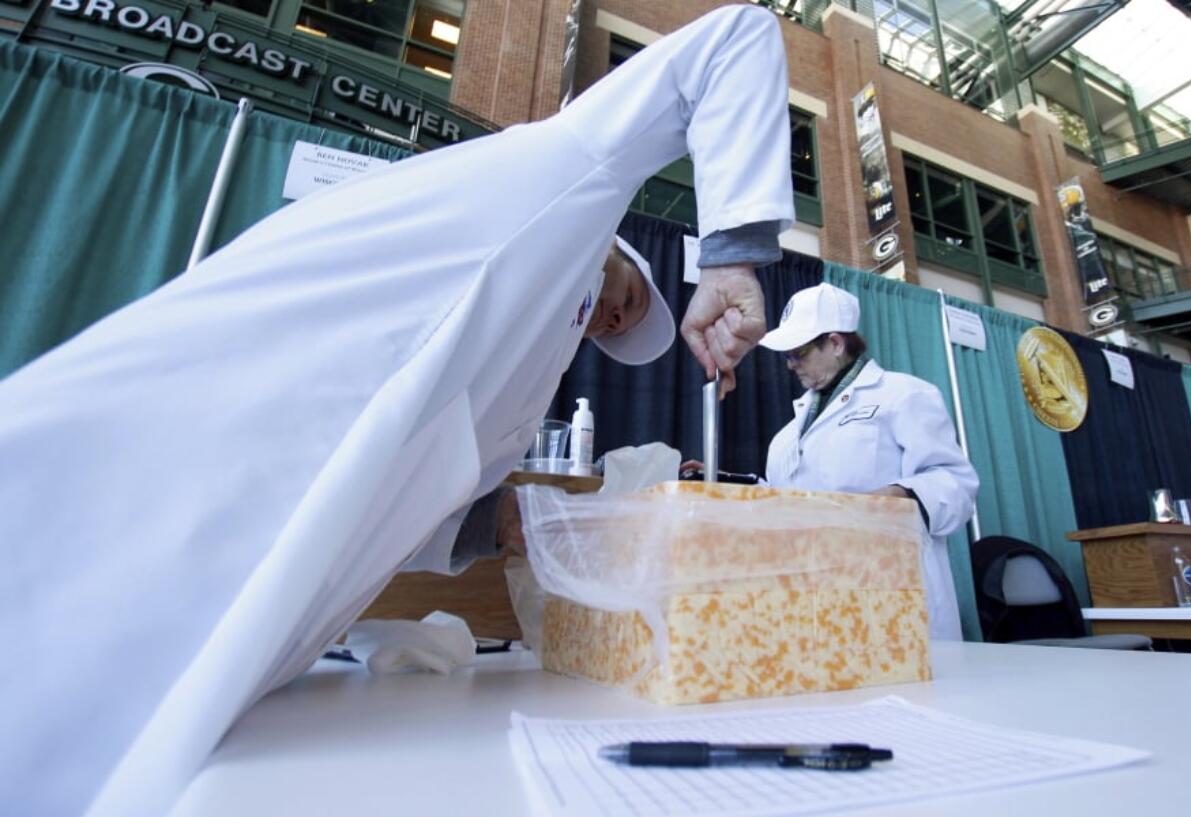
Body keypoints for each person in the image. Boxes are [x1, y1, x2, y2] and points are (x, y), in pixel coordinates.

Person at [0, 6, 794, 817]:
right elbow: (734, 38)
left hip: (262, 592)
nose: (615, 321)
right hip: (191, 440)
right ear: (624, 251)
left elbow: (405, 494)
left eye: (614, 329)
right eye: (625, 301)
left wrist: (495, 522)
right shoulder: (562, 171)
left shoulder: (523, 371)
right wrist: (732, 254)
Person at [759, 283, 979, 640]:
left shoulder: (904, 395)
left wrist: (900, 495)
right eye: (786, 356)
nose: (790, 365)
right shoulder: (785, 437)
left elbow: (958, 486)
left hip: (894, 591)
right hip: (815, 599)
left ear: (835, 343)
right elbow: (784, 503)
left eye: (798, 352)